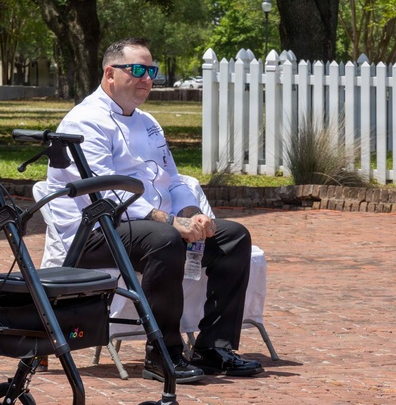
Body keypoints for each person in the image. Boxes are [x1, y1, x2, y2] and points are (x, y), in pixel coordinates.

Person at [46, 37, 263, 383]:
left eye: (152, 71)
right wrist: (173, 223)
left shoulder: (148, 122)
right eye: (137, 70)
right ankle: (163, 355)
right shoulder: (84, 122)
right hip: (94, 234)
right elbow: (106, 195)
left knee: (233, 237)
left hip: (148, 228)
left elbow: (173, 180)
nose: (147, 78)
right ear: (110, 73)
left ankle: (213, 348)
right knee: (164, 240)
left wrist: (191, 214)